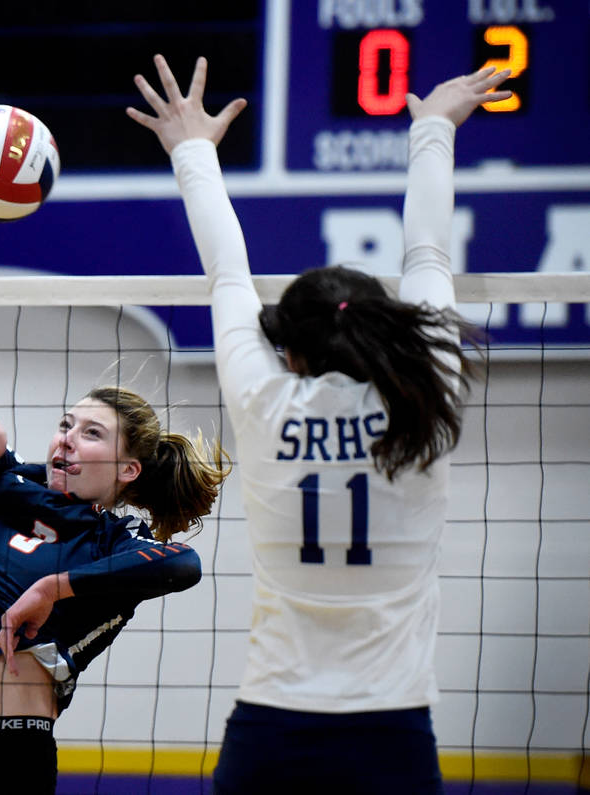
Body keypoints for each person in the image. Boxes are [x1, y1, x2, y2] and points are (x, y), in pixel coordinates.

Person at [128, 55, 512, 794]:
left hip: (272, 732)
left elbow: (227, 274)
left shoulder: (266, 403)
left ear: (291, 351)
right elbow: (428, 250)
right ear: (383, 328)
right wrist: (432, 127)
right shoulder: (425, 395)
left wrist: (192, 147)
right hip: (392, 735)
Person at [0, 379, 229, 793]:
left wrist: (53, 587)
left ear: (128, 469)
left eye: (91, 433)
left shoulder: (116, 539)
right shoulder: (7, 485)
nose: (67, 439)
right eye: (66, 425)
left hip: (3, 750)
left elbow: (183, 564)